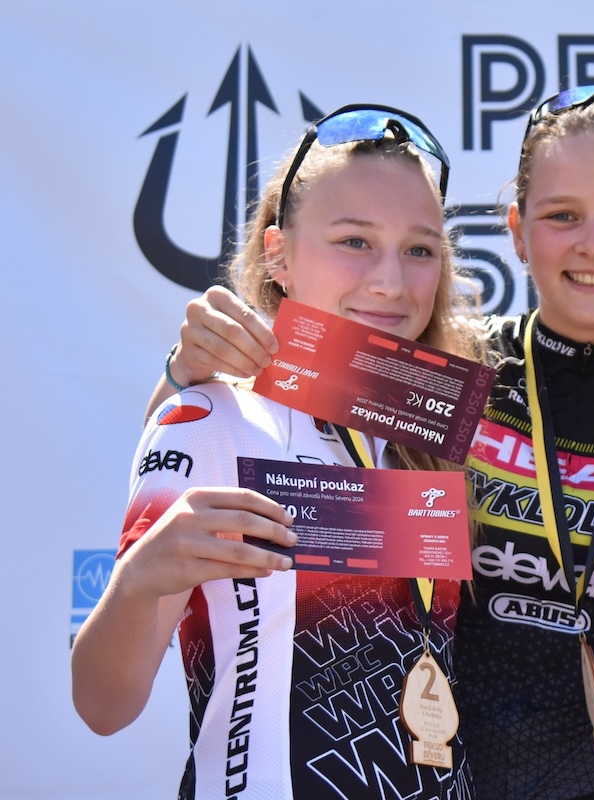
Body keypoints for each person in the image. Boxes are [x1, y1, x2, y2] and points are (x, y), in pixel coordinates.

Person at [141, 87, 594, 800]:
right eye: (562, 215)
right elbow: (216, 418)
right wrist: (183, 367)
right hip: (436, 776)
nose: (593, 243)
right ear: (517, 230)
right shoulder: (450, 374)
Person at [72, 104, 477, 800]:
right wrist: (138, 583)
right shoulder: (210, 417)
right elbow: (102, 707)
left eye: (420, 249)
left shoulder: (427, 427)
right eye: (354, 240)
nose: (390, 280)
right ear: (278, 255)